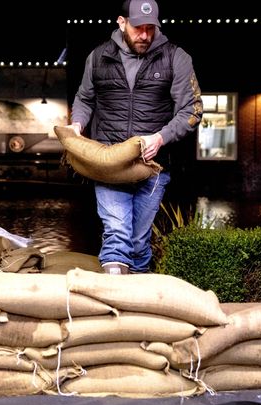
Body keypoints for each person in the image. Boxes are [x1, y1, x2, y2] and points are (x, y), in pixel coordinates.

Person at [70, 0, 203, 275]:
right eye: (137, 28)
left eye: (150, 28)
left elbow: (192, 110)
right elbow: (84, 98)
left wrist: (161, 137)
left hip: (153, 166)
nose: (144, 35)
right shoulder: (98, 57)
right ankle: (114, 303)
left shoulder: (176, 57)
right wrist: (77, 124)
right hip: (110, 163)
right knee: (117, 233)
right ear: (121, 22)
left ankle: (136, 309)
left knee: (139, 243)